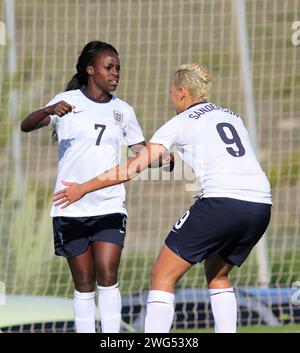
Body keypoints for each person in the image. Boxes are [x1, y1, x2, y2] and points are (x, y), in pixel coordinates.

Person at [52, 63, 272, 333]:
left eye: (171, 93)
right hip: (261, 205)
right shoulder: (231, 116)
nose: (171, 99)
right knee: (217, 273)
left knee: (161, 274)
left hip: (221, 203)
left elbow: (132, 168)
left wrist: (83, 188)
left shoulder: (180, 123)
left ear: (181, 92)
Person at [20, 41, 173, 333]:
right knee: (84, 283)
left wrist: (161, 158)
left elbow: (140, 151)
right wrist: (48, 109)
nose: (115, 73)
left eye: (118, 68)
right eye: (109, 67)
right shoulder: (66, 100)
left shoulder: (123, 111)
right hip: (70, 204)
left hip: (109, 203)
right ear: (90, 70)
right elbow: (26, 125)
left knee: (108, 273)